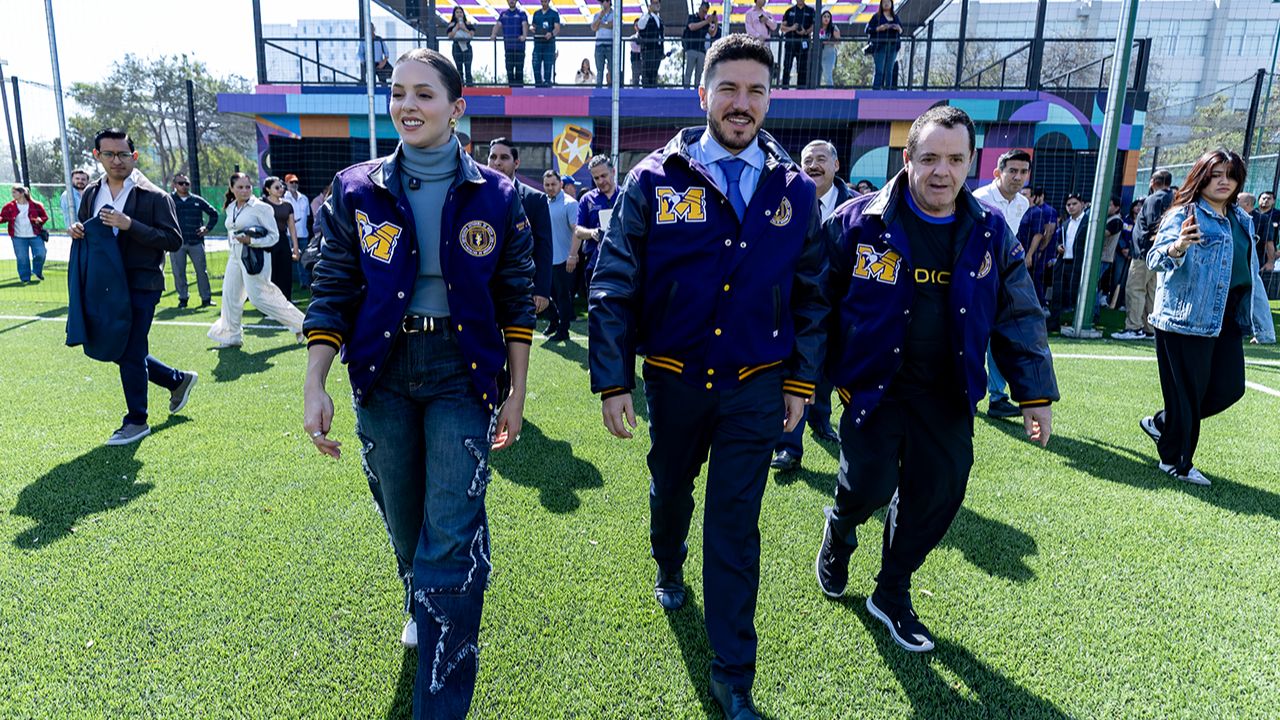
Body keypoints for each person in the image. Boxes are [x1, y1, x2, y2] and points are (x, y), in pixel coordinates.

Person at [589, 35, 826, 720]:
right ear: (703, 95)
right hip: (674, 378)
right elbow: (614, 282)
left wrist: (799, 382)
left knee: (734, 525)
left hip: (756, 383)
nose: (742, 103)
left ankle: (733, 675)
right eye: (729, 89)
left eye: (756, 91)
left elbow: (812, 295)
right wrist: (613, 379)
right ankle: (667, 560)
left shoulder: (793, 188)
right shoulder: (653, 177)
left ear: (769, 99)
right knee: (672, 488)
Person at [303, 48, 534, 720]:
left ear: (457, 107)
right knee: (407, 524)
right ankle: (419, 591)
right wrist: (315, 382)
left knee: (450, 537)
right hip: (381, 373)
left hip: (464, 375)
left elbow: (517, 300)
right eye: (399, 92)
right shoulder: (354, 189)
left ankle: (442, 702)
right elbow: (332, 290)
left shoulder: (501, 196)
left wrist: (516, 393)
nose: (408, 105)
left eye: (425, 95)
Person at [814, 106, 1057, 654]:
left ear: (972, 163)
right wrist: (805, 382)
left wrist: (1033, 394)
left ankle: (891, 593)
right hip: (873, 387)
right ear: (908, 159)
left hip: (948, 393)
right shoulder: (857, 223)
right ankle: (842, 526)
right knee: (869, 486)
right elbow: (815, 307)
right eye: (929, 158)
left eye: (954, 159)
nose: (941, 171)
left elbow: (1018, 312)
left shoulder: (992, 231)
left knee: (937, 496)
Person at [1140, 148, 1275, 486]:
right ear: (1201, 177)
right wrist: (1178, 247)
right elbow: (1155, 258)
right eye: (1215, 175)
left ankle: (1163, 423)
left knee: (1231, 388)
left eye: (1229, 175)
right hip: (1187, 316)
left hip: (1227, 316)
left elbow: (1251, 273)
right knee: (1188, 391)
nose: (1223, 182)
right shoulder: (1184, 214)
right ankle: (1176, 462)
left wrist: (1261, 322)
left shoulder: (1242, 219)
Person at [70, 128, 198, 446]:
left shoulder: (155, 196)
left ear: (134, 156)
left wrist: (131, 225)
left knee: (129, 349)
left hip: (142, 284)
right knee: (121, 346)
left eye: (124, 154)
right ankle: (176, 380)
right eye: (110, 154)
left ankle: (136, 420)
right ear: (97, 156)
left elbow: (173, 240)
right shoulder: (90, 194)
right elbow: (89, 231)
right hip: (103, 285)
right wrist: (77, 231)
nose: (117, 160)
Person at [771, 139, 851, 473]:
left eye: (821, 158)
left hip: (841, 307)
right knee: (797, 370)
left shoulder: (859, 206)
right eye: (807, 160)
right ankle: (789, 445)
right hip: (800, 306)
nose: (814, 165)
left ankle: (822, 419)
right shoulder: (786, 201)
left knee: (830, 371)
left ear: (836, 165)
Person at [207, 172, 306, 350]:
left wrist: (251, 241)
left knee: (260, 298)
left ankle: (304, 325)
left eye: (248, 186)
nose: (245, 190)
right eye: (240, 187)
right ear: (231, 188)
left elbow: (274, 237)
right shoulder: (231, 207)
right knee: (230, 296)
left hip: (256, 256)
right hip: (235, 255)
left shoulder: (262, 207)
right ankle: (231, 336)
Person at [973, 148, 1031, 418]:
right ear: (998, 172)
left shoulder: (1023, 203)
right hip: (974, 278)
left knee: (1001, 336)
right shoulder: (979, 199)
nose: (1018, 177)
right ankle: (967, 394)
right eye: (1013, 171)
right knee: (972, 337)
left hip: (1002, 278)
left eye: (1023, 172)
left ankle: (998, 398)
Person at [487, 138, 553, 323]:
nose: (497, 162)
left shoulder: (535, 199)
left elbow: (543, 247)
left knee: (517, 349)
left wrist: (541, 290)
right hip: (483, 287)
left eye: (504, 157)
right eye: (492, 157)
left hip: (520, 288)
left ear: (516, 163)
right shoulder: (475, 197)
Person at [1114, 170, 1172, 340]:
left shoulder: (1155, 198)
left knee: (1135, 288)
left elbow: (1155, 224)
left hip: (1145, 253)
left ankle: (1134, 327)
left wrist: (1148, 248)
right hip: (1158, 254)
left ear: (1154, 181)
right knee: (1151, 291)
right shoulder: (1172, 197)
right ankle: (1149, 329)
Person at [169, 173, 219, 308]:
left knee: (201, 272)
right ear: (174, 185)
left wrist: (207, 228)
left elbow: (214, 214)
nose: (184, 186)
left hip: (196, 242)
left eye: (186, 183)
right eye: (181, 183)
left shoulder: (197, 200)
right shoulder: (169, 200)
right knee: (178, 272)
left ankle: (206, 299)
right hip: (177, 243)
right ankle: (183, 299)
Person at [541, 170, 580, 340]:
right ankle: (554, 320)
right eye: (547, 185)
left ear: (561, 184)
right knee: (542, 293)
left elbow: (576, 231)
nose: (550, 188)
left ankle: (563, 330)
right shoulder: (543, 202)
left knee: (563, 297)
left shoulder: (570, 204)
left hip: (564, 260)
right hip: (545, 260)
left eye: (553, 184)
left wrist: (573, 255)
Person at [574, 154, 620, 293]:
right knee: (596, 304)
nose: (600, 181)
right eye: (596, 178)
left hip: (621, 259)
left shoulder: (626, 195)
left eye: (604, 176)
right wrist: (592, 233)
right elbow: (578, 230)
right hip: (594, 261)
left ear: (613, 172)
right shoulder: (587, 199)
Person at [1047, 192, 1088, 331]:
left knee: (1075, 294)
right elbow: (1057, 240)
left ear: (1082, 204)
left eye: (1074, 204)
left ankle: (1073, 323)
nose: (1071, 207)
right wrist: (1058, 246)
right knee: (1057, 294)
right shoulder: (1065, 223)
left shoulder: (1088, 222)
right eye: (1068, 204)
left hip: (1079, 264)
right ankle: (1054, 324)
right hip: (1063, 262)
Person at [262, 176, 302, 301]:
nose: (281, 189)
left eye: (281, 187)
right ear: (268, 189)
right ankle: (272, 304)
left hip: (283, 240)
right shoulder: (262, 203)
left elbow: (292, 227)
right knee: (272, 273)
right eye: (277, 187)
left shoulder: (287, 205)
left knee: (286, 271)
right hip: (268, 241)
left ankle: (286, 301)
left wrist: (295, 247)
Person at [1, 185, 49, 284]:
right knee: (22, 258)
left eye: (15, 192)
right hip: (18, 237)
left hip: (35, 235)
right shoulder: (9, 206)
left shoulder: (36, 205)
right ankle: (25, 278)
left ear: (22, 193)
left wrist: (40, 220)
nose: (12, 194)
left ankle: (36, 271)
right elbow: (3, 218)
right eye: (12, 192)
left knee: (41, 254)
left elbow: (44, 217)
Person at [491, 0, 529, 87]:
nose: (511, 1)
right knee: (509, 70)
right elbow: (497, 25)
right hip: (508, 47)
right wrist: (493, 34)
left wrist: (524, 35)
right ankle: (511, 90)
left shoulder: (521, 13)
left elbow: (524, 25)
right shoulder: (503, 14)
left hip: (519, 47)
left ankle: (519, 92)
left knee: (519, 70)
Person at [866, 0, 901, 90]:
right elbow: (867, 29)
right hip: (879, 46)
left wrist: (898, 28)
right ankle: (876, 91)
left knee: (889, 70)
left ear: (891, 4)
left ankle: (888, 91)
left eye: (888, 2)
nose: (886, 4)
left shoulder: (895, 17)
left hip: (893, 46)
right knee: (879, 70)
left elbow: (901, 30)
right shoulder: (876, 17)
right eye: (884, 2)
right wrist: (879, 28)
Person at [780, 0, 815, 87]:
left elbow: (815, 25)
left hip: (803, 43)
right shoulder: (789, 11)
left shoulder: (810, 11)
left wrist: (805, 31)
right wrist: (792, 28)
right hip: (790, 42)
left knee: (802, 68)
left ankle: (801, 91)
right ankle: (785, 89)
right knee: (787, 66)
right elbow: (782, 27)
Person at [743, 0, 779, 83]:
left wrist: (767, 20)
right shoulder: (749, 13)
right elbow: (748, 28)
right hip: (753, 44)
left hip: (766, 44)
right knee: (753, 63)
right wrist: (758, 36)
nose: (763, 1)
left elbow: (774, 26)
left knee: (765, 64)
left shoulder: (767, 13)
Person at [683, 2, 715, 89]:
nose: (703, 13)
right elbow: (692, 27)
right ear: (699, 8)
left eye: (705, 12)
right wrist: (706, 22)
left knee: (699, 73)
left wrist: (714, 22)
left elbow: (712, 33)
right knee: (688, 72)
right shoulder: (692, 17)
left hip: (701, 50)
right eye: (703, 11)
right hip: (691, 48)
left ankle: (696, 90)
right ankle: (686, 90)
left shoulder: (706, 22)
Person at [1099, 196, 1123, 305]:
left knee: (1092, 285)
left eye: (1109, 205)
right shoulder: (1107, 218)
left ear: (1117, 208)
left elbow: (1103, 234)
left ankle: (1094, 313)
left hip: (1104, 258)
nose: (1106, 207)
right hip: (1100, 257)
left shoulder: (1117, 221)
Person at [531, 0, 561, 87]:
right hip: (538, 44)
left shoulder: (554, 14)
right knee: (536, 64)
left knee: (548, 65)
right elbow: (533, 25)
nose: (544, 3)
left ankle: (547, 84)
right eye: (542, 1)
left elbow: (557, 28)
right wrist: (532, 28)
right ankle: (538, 84)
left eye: (546, 1)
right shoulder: (536, 13)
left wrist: (551, 34)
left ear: (549, 1)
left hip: (549, 44)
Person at [637, 0, 665, 88]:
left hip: (657, 51)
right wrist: (648, 13)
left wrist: (662, 51)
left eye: (658, 3)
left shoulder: (660, 20)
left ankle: (653, 90)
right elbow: (640, 26)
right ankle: (646, 92)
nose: (657, 5)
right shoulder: (646, 16)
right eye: (655, 3)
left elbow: (661, 36)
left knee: (654, 74)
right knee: (647, 73)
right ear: (651, 5)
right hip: (648, 50)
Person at [447, 7, 477, 86]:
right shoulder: (452, 24)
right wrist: (456, 27)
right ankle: (460, 86)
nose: (459, 14)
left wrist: (464, 28)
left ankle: (470, 87)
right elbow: (450, 36)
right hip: (457, 47)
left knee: (468, 68)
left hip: (467, 47)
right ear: (454, 14)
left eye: (461, 12)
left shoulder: (468, 23)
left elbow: (472, 34)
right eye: (457, 12)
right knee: (459, 68)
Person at [1250, 190, 1278, 270]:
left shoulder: (1277, 215)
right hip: (1254, 251)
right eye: (1263, 198)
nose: (1265, 200)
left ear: (1273, 201)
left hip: (1271, 253)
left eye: (1269, 199)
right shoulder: (1251, 214)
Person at [592, 0, 615, 88]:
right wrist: (600, 18)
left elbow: (613, 25)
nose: (601, 4)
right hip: (599, 45)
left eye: (603, 1)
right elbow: (594, 27)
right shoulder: (597, 15)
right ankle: (599, 88)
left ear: (609, 2)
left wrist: (601, 25)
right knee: (599, 69)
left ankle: (612, 88)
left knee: (612, 69)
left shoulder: (615, 14)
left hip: (610, 44)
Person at [817, 11, 840, 86]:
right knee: (816, 74)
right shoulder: (817, 27)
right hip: (818, 53)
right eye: (824, 16)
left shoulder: (833, 28)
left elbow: (838, 41)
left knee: (828, 74)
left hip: (829, 53)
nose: (826, 18)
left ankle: (830, 93)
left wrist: (828, 42)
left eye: (828, 17)